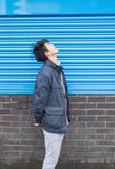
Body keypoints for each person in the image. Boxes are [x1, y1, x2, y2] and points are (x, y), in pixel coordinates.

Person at [33, 39, 70, 169]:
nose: (53, 45)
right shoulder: (46, 72)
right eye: (50, 45)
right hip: (52, 121)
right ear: (47, 53)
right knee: (51, 158)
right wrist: (37, 118)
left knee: (53, 157)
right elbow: (40, 99)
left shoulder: (56, 70)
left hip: (58, 119)